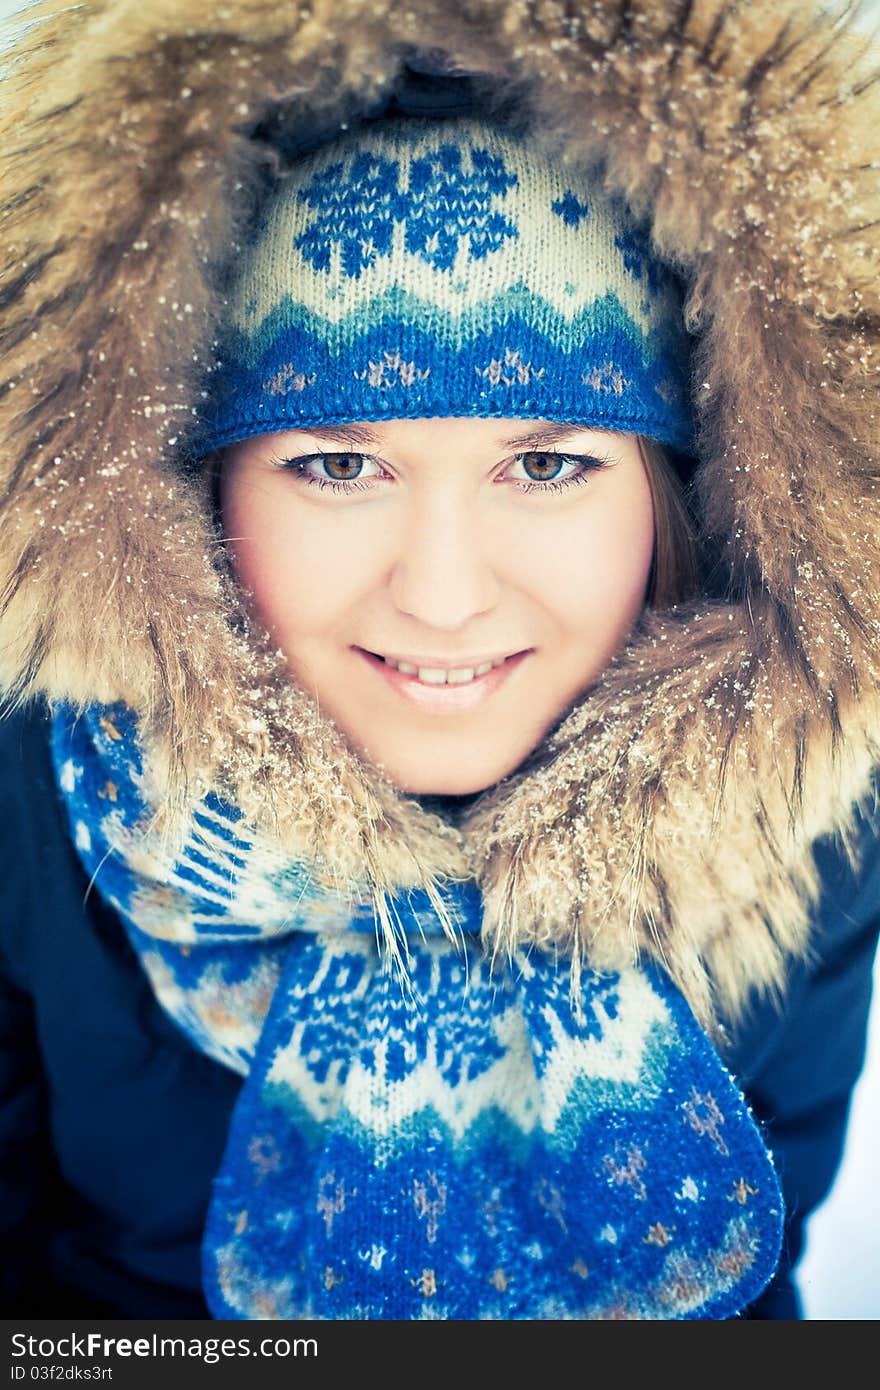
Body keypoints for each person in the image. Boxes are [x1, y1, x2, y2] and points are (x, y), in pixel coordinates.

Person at [1, 0, 878, 1322]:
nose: (447, 595)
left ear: (677, 497)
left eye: (547, 463)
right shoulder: (37, 789)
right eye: (337, 464)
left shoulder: (796, 815)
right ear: (186, 493)